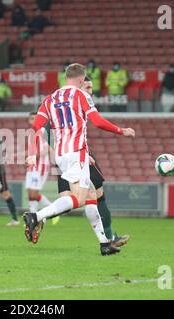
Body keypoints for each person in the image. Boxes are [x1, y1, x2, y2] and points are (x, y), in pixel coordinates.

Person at [24, 63, 135, 255]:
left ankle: (104, 244)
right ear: (82, 79)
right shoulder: (81, 95)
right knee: (79, 198)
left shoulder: (49, 99)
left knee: (91, 196)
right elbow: (98, 121)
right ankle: (37, 216)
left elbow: (37, 128)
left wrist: (32, 153)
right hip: (78, 152)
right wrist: (121, 130)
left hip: (61, 155)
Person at [53, 76, 130, 247]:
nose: (90, 91)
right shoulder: (64, 105)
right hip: (70, 156)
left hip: (80, 152)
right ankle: (38, 217)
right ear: (79, 86)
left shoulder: (78, 103)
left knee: (97, 194)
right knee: (72, 200)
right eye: (87, 87)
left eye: (91, 87)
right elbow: (52, 134)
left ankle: (108, 238)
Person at [25, 112, 57, 224]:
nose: (33, 120)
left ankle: (54, 211)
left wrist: (35, 155)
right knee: (30, 194)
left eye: (35, 118)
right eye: (31, 118)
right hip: (32, 167)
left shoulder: (43, 132)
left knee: (34, 194)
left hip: (41, 167)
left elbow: (49, 148)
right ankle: (32, 219)